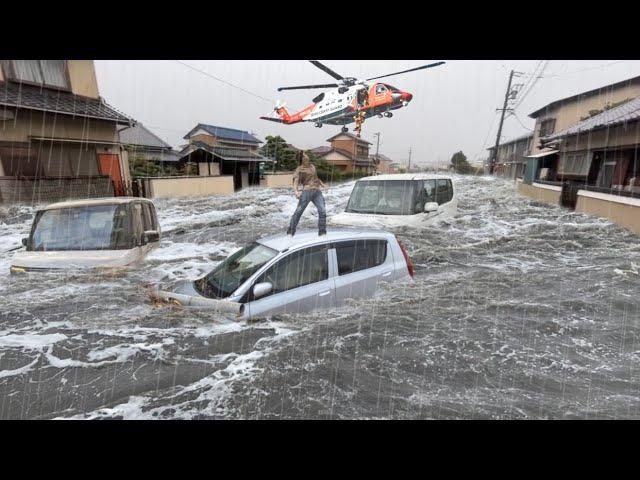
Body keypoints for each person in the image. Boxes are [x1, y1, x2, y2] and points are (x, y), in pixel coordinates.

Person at [287, 151, 327, 237]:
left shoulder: (312, 166)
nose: (307, 156)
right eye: (305, 155)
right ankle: (290, 232)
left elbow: (316, 178)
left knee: (322, 211)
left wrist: (323, 184)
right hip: (306, 192)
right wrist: (296, 192)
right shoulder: (299, 169)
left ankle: (322, 233)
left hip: (317, 192)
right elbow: (295, 181)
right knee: (298, 212)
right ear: (302, 159)